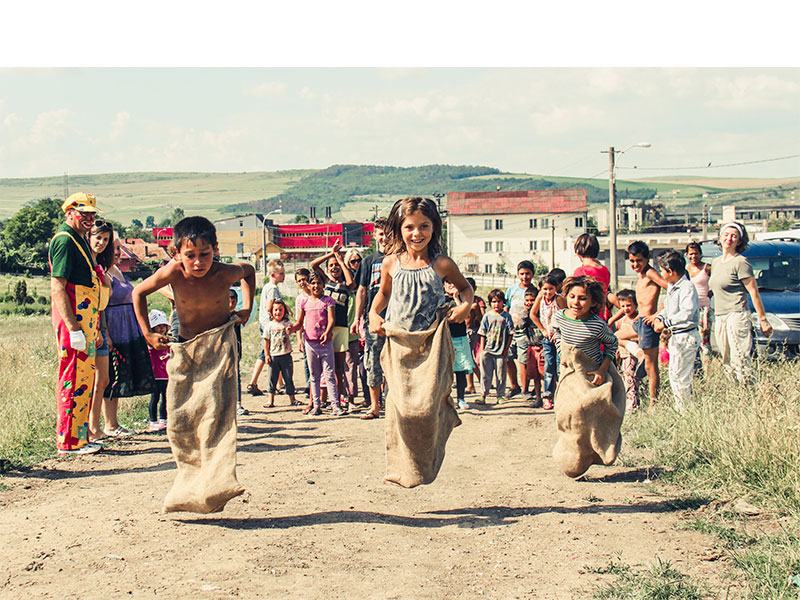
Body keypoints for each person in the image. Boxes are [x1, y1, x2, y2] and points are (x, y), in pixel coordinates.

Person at [132, 217, 255, 384]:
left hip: (220, 345)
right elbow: (138, 292)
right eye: (190, 256)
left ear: (215, 249)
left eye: (205, 254)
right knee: (183, 403)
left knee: (221, 403)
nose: (198, 262)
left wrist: (247, 308)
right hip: (186, 345)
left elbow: (249, 271)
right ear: (177, 253)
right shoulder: (173, 273)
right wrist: (148, 334)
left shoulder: (224, 273)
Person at [368, 195, 473, 366]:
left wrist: (465, 306)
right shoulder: (390, 263)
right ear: (399, 229)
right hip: (399, 346)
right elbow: (384, 293)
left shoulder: (442, 264)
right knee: (400, 392)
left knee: (433, 391)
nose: (417, 233)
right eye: (409, 227)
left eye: (424, 226)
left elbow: (465, 288)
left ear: (433, 228)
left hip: (434, 347)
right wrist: (373, 313)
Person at [49, 192, 106, 455]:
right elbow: (58, 287)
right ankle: (68, 441)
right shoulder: (64, 241)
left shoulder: (78, 239)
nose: (89, 219)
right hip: (74, 321)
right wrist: (73, 328)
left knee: (84, 379)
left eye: (92, 215)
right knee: (73, 378)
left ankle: (80, 438)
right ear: (70, 212)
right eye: (84, 214)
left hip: (86, 320)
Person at [102, 238, 156, 435]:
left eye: (118, 248)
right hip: (115, 327)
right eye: (114, 249)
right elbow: (102, 307)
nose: (117, 252)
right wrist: (106, 333)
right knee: (112, 375)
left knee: (120, 374)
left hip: (127, 326)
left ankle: (113, 422)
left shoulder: (117, 270)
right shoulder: (104, 273)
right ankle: (109, 424)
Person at [708, 222, 772, 385]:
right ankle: (735, 393)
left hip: (737, 314)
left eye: (734, 236)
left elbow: (753, 292)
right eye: (726, 235)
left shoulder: (741, 262)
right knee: (726, 358)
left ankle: (747, 390)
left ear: (739, 241)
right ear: (720, 238)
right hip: (720, 315)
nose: (729, 239)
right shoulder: (715, 263)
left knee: (740, 358)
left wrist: (762, 319)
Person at [646, 250, 701, 411]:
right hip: (677, 336)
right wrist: (660, 318)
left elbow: (687, 312)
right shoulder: (673, 287)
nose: (661, 274)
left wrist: (666, 322)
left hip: (686, 334)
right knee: (675, 375)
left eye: (662, 270)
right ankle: (681, 408)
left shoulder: (687, 288)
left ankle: (685, 411)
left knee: (681, 377)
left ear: (671, 271)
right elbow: (668, 308)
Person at [622, 241, 668, 411]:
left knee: (651, 365)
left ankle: (653, 403)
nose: (635, 264)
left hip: (648, 324)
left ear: (648, 258)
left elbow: (671, 288)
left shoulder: (650, 273)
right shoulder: (640, 275)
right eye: (632, 261)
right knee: (616, 336)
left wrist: (657, 314)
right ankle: (638, 353)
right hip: (639, 322)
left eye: (639, 261)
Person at [350, 218, 388, 420]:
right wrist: (357, 317)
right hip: (373, 320)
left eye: (388, 233)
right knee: (373, 362)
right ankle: (374, 406)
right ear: (375, 236)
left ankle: (392, 404)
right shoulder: (368, 261)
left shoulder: (401, 258)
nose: (385, 237)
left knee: (395, 363)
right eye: (381, 233)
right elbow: (361, 291)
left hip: (395, 319)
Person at [311, 240, 356, 412]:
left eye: (336, 266)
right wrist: (332, 253)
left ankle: (341, 398)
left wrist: (340, 259)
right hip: (324, 329)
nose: (334, 268)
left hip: (341, 328)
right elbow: (314, 264)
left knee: (339, 367)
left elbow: (351, 282)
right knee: (324, 367)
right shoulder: (325, 281)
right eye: (331, 266)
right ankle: (326, 398)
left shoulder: (345, 284)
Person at [552, 275, 619, 388]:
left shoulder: (597, 325)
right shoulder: (559, 317)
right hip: (569, 371)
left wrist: (602, 370)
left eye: (582, 298)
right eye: (572, 296)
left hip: (590, 374)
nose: (575, 302)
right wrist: (561, 352)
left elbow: (612, 344)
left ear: (593, 302)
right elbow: (557, 333)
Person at [292, 273, 340, 416]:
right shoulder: (304, 303)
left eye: (319, 283)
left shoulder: (328, 301)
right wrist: (292, 329)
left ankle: (335, 405)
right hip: (310, 343)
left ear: (323, 285)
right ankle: (316, 405)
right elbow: (299, 323)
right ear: (308, 285)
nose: (316, 286)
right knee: (314, 375)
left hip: (325, 343)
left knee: (329, 374)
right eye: (313, 283)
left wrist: (327, 332)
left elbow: (331, 320)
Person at [86, 219, 114, 443]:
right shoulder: (85, 265)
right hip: (87, 328)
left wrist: (105, 331)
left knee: (102, 380)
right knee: (89, 380)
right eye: (98, 237)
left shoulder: (101, 267)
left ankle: (95, 426)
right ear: (89, 237)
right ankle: (87, 429)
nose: (101, 242)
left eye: (105, 239)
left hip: (101, 328)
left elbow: (102, 305)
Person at [247, 260, 285, 396]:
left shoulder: (267, 287)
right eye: (281, 273)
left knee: (276, 352)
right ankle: (253, 382)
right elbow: (270, 307)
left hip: (264, 323)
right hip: (269, 326)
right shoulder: (273, 289)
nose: (283, 276)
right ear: (273, 274)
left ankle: (280, 384)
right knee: (266, 354)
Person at [530, 274, 566, 410]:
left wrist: (557, 332)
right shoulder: (541, 298)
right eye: (545, 289)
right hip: (547, 337)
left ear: (556, 288)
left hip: (559, 337)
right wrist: (543, 330)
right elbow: (532, 314)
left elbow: (565, 316)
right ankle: (548, 396)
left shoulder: (559, 299)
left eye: (551, 289)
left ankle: (561, 395)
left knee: (560, 365)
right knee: (548, 366)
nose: (548, 292)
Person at [609, 289, 645, 412]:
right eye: (623, 306)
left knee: (631, 378)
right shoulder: (621, 321)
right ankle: (630, 402)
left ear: (635, 304)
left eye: (629, 305)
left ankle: (632, 406)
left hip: (634, 354)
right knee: (626, 378)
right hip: (624, 354)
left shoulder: (638, 320)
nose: (626, 308)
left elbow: (640, 336)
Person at [505, 260, 536, 398]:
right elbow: (506, 307)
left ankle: (525, 390)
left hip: (525, 332)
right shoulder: (512, 290)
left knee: (523, 360)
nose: (525, 277)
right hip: (511, 331)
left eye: (527, 274)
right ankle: (514, 386)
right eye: (522, 274)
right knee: (507, 357)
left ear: (532, 274)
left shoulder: (535, 291)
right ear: (518, 274)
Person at [477, 289, 514, 405]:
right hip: (488, 350)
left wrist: (506, 350)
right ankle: (483, 394)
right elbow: (482, 333)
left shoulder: (506, 317)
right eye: (493, 302)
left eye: (499, 301)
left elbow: (510, 334)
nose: (496, 304)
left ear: (503, 302)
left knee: (500, 375)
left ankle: (500, 395)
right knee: (485, 374)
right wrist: (482, 351)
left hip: (500, 351)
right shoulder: (487, 316)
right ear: (489, 303)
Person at [444, 280, 476, 411]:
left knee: (461, 370)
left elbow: (463, 316)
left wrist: (456, 298)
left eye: (453, 282)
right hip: (445, 338)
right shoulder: (440, 298)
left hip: (460, 338)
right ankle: (445, 400)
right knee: (444, 371)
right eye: (448, 282)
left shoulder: (463, 299)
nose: (452, 284)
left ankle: (461, 399)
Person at [263, 299, 298, 408]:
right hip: (274, 356)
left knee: (288, 378)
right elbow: (266, 341)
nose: (278, 312)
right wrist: (266, 355)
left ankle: (292, 399)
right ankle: (270, 400)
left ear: (284, 311)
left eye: (280, 310)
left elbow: (295, 329)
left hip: (286, 355)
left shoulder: (287, 323)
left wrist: (291, 329)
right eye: (276, 310)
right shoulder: (269, 326)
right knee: (272, 378)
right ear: (271, 312)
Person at [572, 233, 614, 320]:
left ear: (578, 251)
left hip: (585, 317)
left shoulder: (581, 271)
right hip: (600, 317)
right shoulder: (605, 270)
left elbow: (576, 296)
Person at [685, 242, 713, 365]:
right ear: (686, 255)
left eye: (696, 253)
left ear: (700, 254)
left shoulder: (707, 268)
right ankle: (695, 368)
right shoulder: (685, 269)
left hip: (704, 309)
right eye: (691, 254)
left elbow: (717, 282)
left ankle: (708, 370)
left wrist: (711, 292)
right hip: (689, 309)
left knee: (704, 342)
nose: (693, 256)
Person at [343, 248, 363, 408]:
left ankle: (351, 398)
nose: (356, 264)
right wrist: (335, 255)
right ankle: (344, 398)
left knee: (356, 365)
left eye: (358, 260)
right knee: (343, 366)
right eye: (352, 261)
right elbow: (350, 283)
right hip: (345, 326)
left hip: (359, 326)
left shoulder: (364, 277)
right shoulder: (345, 279)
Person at [146, 309, 170, 431]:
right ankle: (153, 421)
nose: (161, 329)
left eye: (163, 326)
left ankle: (164, 419)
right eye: (158, 326)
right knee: (154, 398)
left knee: (166, 397)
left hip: (166, 375)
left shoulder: (167, 341)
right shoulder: (151, 343)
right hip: (155, 375)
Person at [228, 287, 249, 416]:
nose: (231, 305)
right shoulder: (219, 318)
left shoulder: (237, 317)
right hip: (222, 353)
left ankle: (238, 404)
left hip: (235, 351)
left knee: (236, 376)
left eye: (233, 302)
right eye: (228, 301)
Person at [293, 268, 312, 397]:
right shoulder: (300, 299)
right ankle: (309, 385)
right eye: (299, 281)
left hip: (319, 332)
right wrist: (299, 339)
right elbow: (298, 321)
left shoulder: (316, 293)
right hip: (306, 333)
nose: (302, 283)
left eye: (304, 279)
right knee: (307, 361)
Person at [465, 276, 485, 394]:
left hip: (473, 331)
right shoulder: (461, 299)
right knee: (468, 359)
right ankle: (477, 382)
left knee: (470, 359)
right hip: (462, 331)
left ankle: (472, 384)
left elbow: (482, 318)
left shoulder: (477, 301)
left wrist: (475, 310)